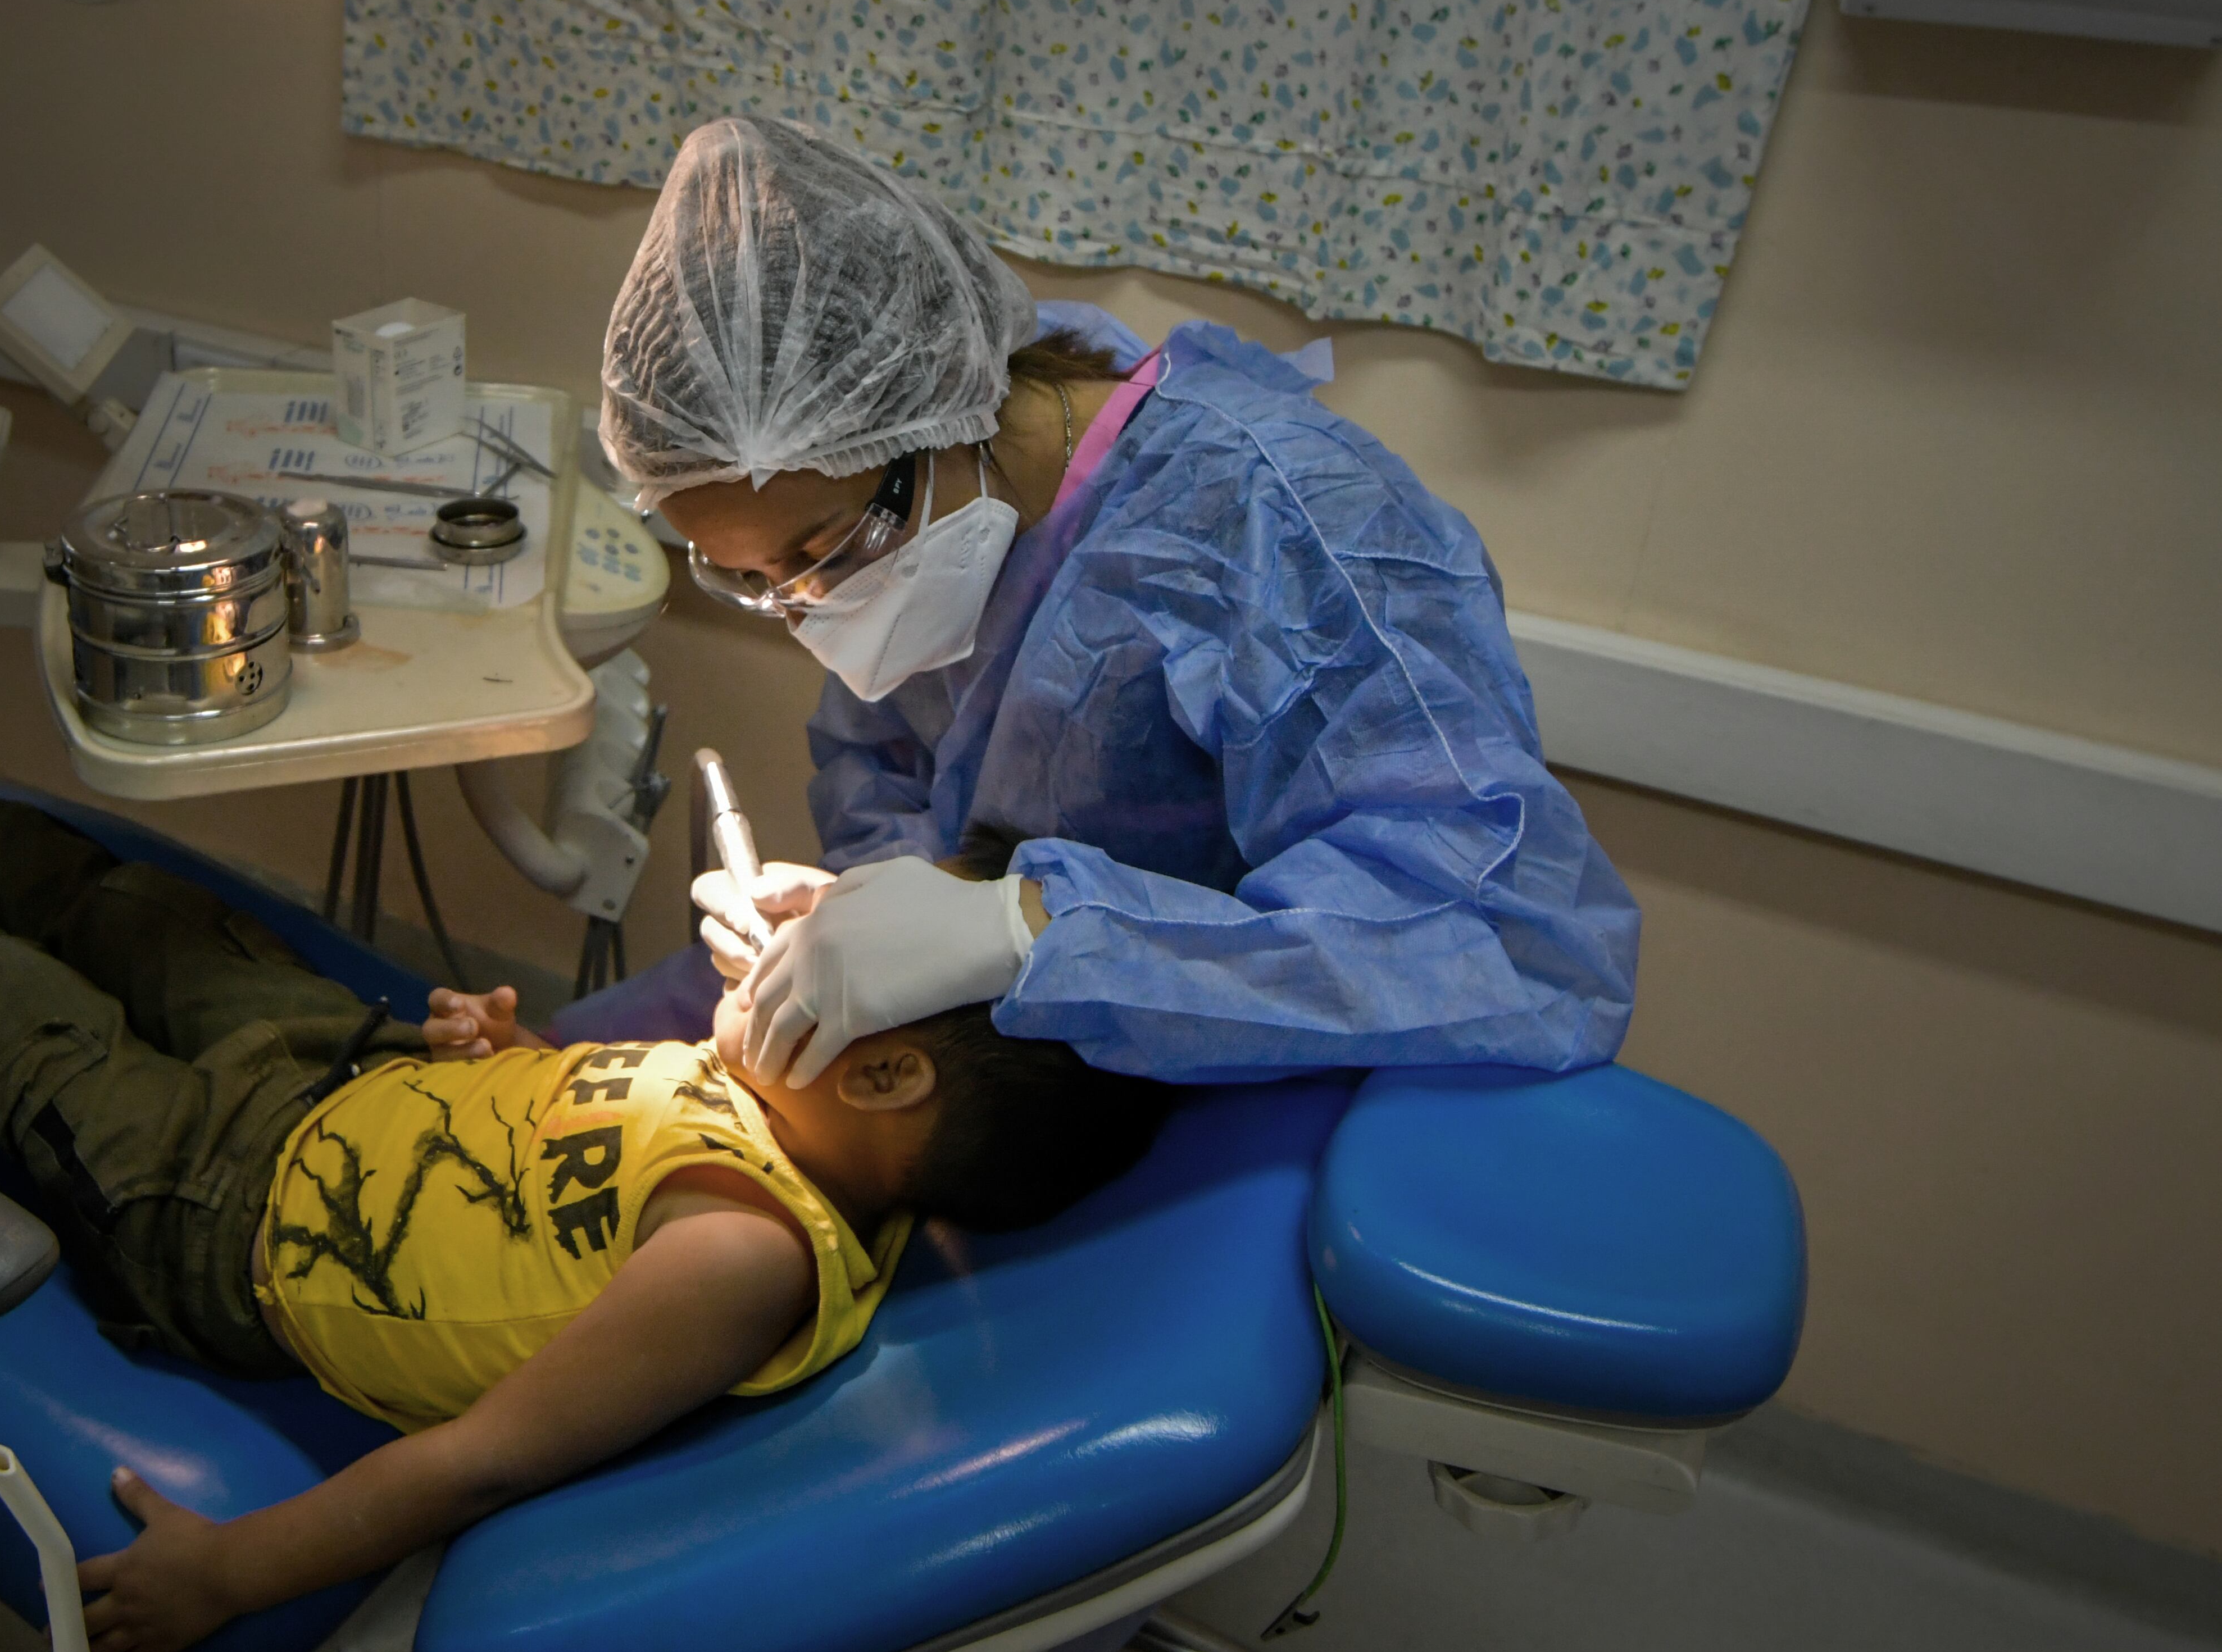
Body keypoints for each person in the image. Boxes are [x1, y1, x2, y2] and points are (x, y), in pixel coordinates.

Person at [0, 619, 1171, 1652]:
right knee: (137, 910)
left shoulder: (746, 1252)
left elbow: (477, 1459)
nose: (802, 925)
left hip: (228, 1204)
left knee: (4, 1007)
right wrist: (510, 1056)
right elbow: (572, 1172)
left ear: (895, 1064)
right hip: (354, 1058)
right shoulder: (767, 1093)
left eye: (837, 948)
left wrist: (233, 1569)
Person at [552, 114, 1642, 1090]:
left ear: (935, 424)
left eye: (824, 550)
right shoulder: (939, 531)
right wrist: (874, 903)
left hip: (1224, 1107)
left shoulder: (1280, 523)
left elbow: (1510, 943)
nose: (807, 609)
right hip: (1009, 1061)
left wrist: (1025, 926)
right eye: (750, 581)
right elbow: (889, 774)